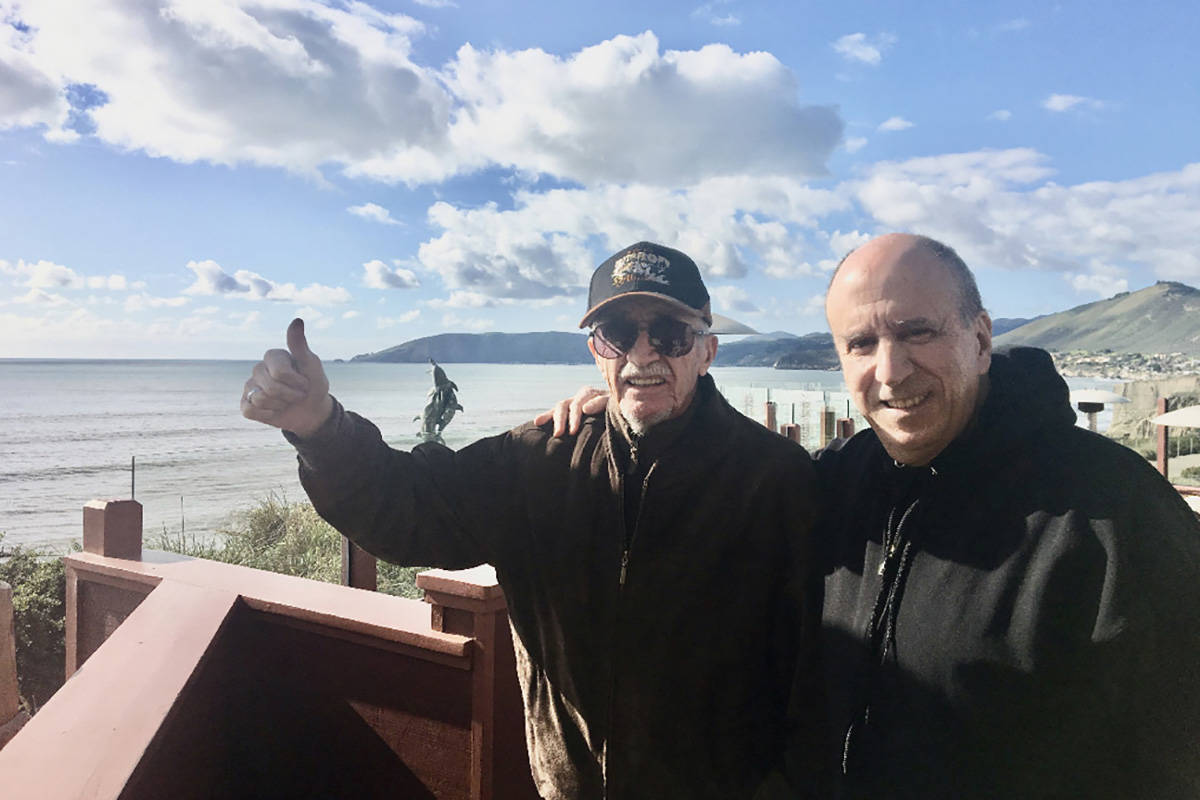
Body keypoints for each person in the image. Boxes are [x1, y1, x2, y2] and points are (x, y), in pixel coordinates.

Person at [549, 233, 1200, 798]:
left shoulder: (1115, 518)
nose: (890, 371)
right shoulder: (833, 484)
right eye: (861, 343)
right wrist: (632, 419)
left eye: (917, 332)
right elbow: (711, 500)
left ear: (980, 337)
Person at [241, 241, 826, 799]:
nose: (642, 354)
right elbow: (407, 507)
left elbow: (816, 668)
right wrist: (319, 426)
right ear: (597, 352)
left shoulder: (774, 479)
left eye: (670, 333)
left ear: (707, 350)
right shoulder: (537, 460)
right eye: (618, 333)